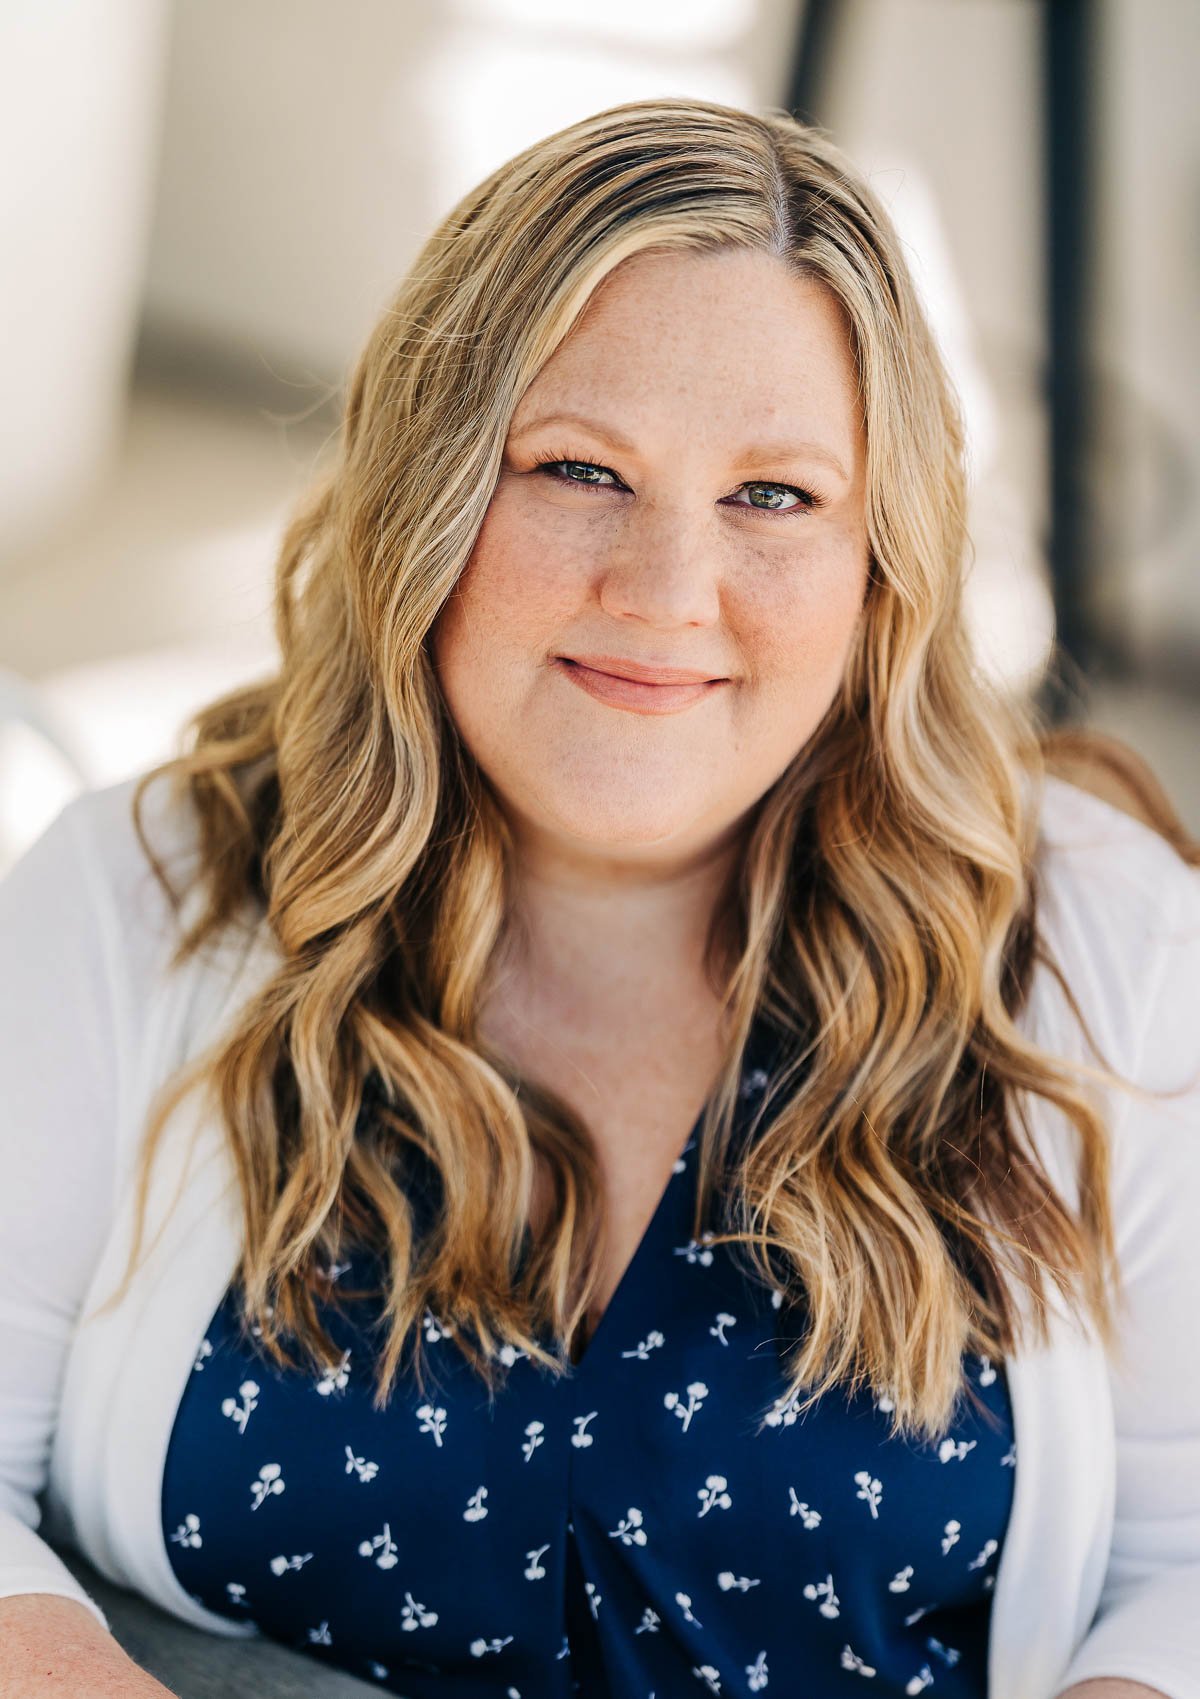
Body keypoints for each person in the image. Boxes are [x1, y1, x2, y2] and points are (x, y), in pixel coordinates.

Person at [0, 95, 1197, 1699]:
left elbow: (1186, 1570)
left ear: (882, 563)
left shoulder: (1110, 956)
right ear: (422, 500)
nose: (664, 590)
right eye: (577, 467)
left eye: (774, 495)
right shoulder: (134, 895)